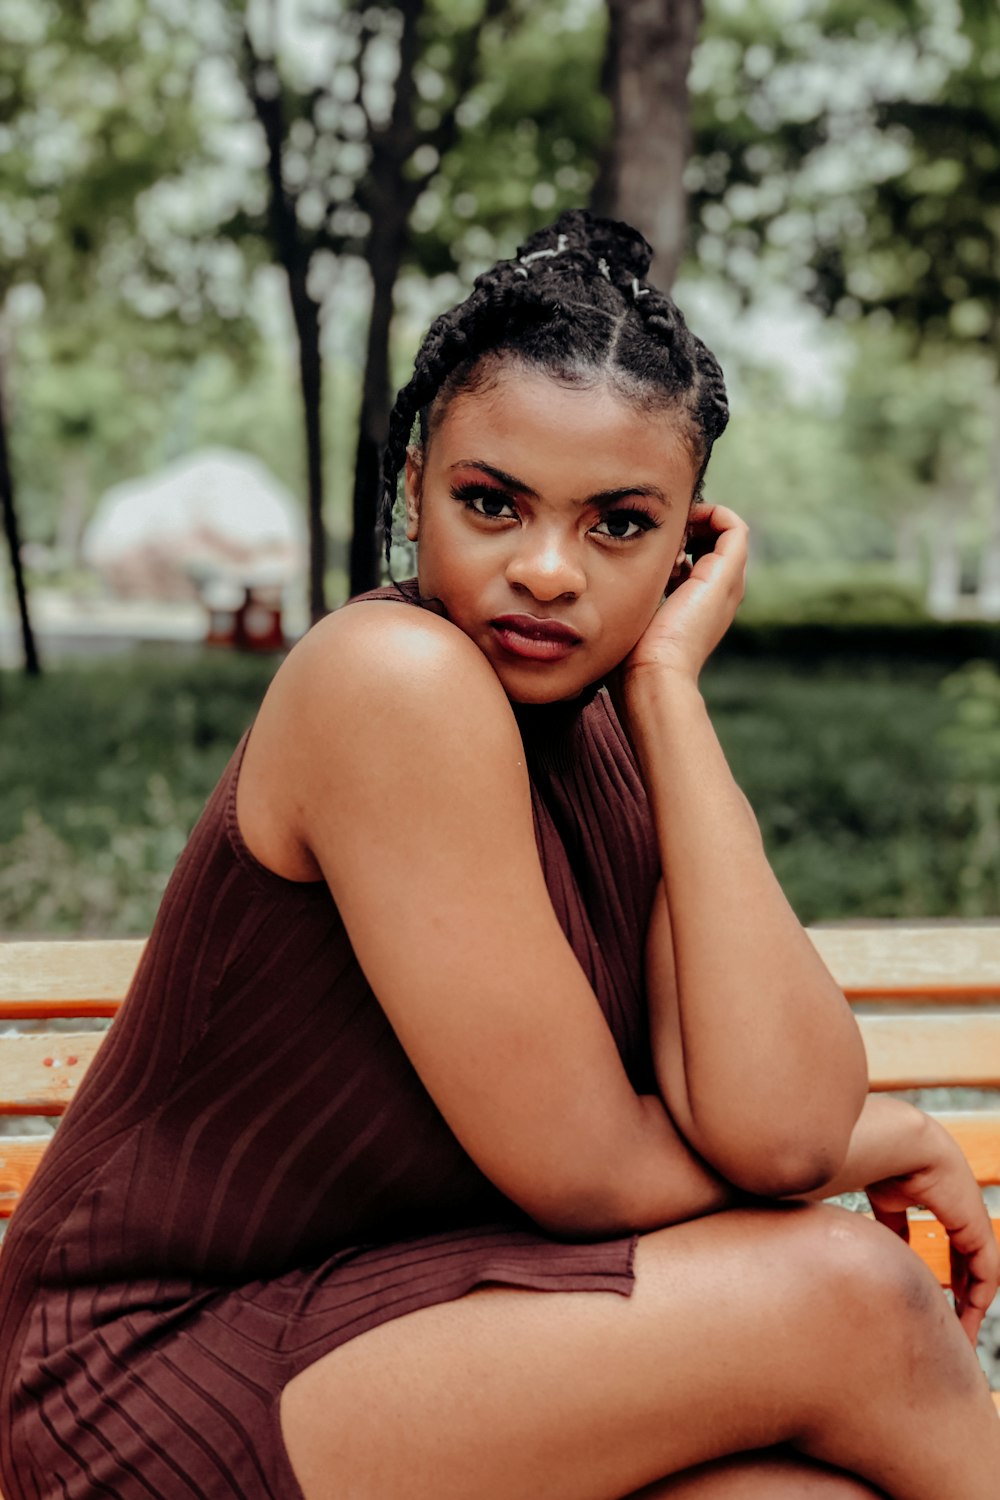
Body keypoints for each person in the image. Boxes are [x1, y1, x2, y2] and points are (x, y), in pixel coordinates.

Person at [1, 210, 997, 1500]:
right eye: (491, 502)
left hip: (414, 1324)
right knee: (852, 1292)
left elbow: (780, 1128)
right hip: (153, 1378)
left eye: (619, 526)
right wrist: (895, 1137)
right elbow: (589, 1176)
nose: (545, 570)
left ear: (692, 541)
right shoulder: (392, 681)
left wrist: (672, 698)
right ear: (416, 484)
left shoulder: (610, 725)